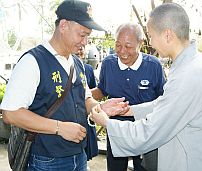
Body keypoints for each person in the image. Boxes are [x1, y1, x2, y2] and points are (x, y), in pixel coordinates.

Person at [0, 0, 129, 171]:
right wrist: (59, 128)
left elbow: (85, 98)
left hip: (79, 156)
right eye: (82, 35)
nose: (85, 42)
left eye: (88, 36)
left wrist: (100, 108)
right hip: (46, 160)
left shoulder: (76, 62)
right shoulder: (33, 62)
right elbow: (10, 114)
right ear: (63, 26)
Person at [90, 3, 202, 171]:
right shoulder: (194, 65)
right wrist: (130, 110)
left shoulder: (188, 75)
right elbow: (167, 102)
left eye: (152, 36)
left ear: (167, 35)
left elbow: (150, 132)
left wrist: (107, 123)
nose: (151, 43)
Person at [91, 23, 166, 171]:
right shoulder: (108, 63)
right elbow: (102, 90)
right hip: (115, 128)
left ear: (140, 43)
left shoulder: (153, 66)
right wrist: (82, 95)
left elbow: (163, 99)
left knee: (144, 168)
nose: (122, 51)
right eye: (118, 45)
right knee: (115, 167)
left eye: (128, 46)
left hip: (145, 131)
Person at [76, 46, 98, 161]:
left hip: (86, 114)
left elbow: (91, 92)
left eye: (82, 49)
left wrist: (99, 107)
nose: (80, 51)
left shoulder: (88, 69)